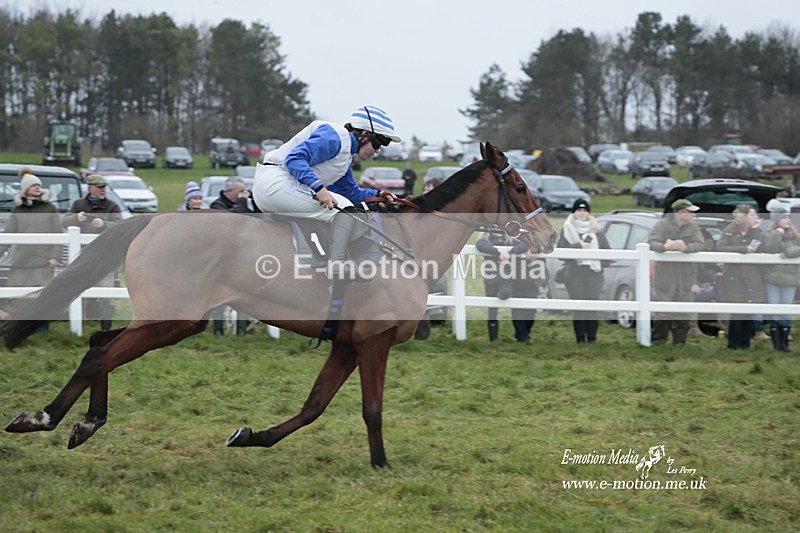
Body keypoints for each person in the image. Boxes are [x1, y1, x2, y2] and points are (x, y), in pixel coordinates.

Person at [252, 105, 400, 280]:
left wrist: (377, 195)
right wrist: (319, 188)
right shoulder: (335, 137)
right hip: (275, 183)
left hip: (277, 186)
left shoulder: (344, 156)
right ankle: (336, 264)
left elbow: (349, 192)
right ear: (364, 134)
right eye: (378, 143)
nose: (377, 151)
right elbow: (295, 158)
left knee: (347, 204)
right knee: (345, 209)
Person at [0, 168, 63, 330]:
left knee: (42, 294)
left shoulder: (50, 209)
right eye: (33, 185)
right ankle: (18, 327)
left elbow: (59, 234)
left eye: (38, 185)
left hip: (44, 261)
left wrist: (55, 256)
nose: (37, 187)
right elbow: (7, 236)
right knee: (17, 294)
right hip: (22, 260)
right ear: (25, 189)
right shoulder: (18, 211)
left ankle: (41, 329)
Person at [63, 173, 123, 330]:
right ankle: (81, 323)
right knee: (80, 289)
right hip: (85, 258)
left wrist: (104, 224)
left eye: (104, 187)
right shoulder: (78, 204)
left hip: (106, 258)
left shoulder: (112, 206)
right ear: (90, 188)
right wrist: (77, 218)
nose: (103, 190)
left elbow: (121, 226)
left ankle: (106, 328)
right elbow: (65, 221)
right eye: (100, 187)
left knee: (106, 293)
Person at [647, 199, 705, 345]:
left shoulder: (693, 227)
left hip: (685, 276)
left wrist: (686, 247)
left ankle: (680, 343)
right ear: (680, 213)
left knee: (683, 309)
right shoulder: (662, 225)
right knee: (663, 310)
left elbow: (700, 244)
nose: (693, 215)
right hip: (665, 275)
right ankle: (658, 341)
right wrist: (665, 247)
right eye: (690, 212)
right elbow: (652, 242)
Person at [557, 199, 611, 343]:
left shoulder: (597, 230)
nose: (582, 213)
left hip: (595, 274)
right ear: (574, 212)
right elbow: (561, 253)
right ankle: (580, 338)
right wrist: (578, 246)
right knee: (579, 307)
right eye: (579, 210)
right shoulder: (567, 229)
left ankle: (592, 338)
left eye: (585, 211)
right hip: (575, 274)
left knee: (592, 307)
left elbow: (607, 252)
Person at [716, 204, 766, 349]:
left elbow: (763, 247)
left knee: (749, 311)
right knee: (737, 312)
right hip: (734, 277)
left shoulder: (756, 232)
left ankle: (745, 344)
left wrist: (756, 229)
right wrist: (743, 249)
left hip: (752, 277)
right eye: (751, 215)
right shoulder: (730, 230)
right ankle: (733, 344)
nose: (755, 218)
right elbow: (721, 247)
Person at [209, 177, 255, 336]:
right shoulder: (216, 206)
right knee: (219, 299)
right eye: (240, 191)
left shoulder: (239, 205)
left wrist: (253, 201)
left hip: (239, 260)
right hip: (221, 261)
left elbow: (255, 218)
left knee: (242, 296)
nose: (243, 193)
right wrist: (242, 202)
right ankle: (218, 333)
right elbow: (232, 220)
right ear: (229, 191)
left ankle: (241, 332)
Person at [476, 232, 537, 342]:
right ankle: (493, 338)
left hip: (506, 277)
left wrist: (510, 252)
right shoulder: (485, 240)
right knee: (492, 310)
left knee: (505, 293)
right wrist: (498, 253)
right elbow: (480, 245)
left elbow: (524, 245)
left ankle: (520, 333)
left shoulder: (510, 239)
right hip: (491, 279)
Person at [761, 201, 800, 352]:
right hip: (772, 278)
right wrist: (778, 234)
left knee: (786, 309)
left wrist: (788, 251)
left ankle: (785, 343)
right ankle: (777, 345)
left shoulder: (795, 235)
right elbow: (771, 249)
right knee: (775, 308)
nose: (787, 220)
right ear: (777, 220)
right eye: (784, 218)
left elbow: (793, 251)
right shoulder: (771, 234)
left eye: (788, 217)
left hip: (789, 278)